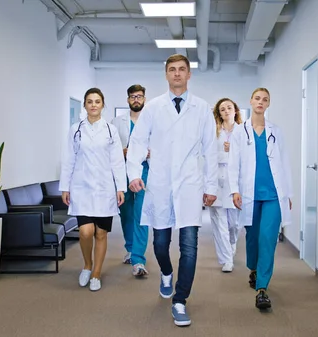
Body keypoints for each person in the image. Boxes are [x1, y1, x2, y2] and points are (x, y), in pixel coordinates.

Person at [126, 54, 218, 327]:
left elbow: (210, 149)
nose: (177, 74)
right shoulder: (153, 107)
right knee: (161, 244)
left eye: (181, 70)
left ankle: (180, 300)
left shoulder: (201, 108)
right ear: (166, 75)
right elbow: (138, 141)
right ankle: (166, 272)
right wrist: (133, 173)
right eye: (172, 70)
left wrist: (211, 185)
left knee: (189, 247)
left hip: (190, 183)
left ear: (189, 75)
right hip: (161, 182)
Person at [228, 87, 293, 310]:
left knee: (268, 238)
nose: (260, 102)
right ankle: (254, 269)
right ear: (251, 101)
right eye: (257, 98)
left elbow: (285, 164)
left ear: (268, 104)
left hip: (274, 194)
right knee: (253, 237)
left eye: (265, 100)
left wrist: (289, 194)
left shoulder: (276, 131)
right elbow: (233, 163)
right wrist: (234, 190)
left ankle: (262, 288)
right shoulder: (239, 131)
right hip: (249, 194)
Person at [59, 88, 126, 292]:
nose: (94, 105)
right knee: (86, 232)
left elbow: (117, 161)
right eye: (90, 101)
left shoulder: (110, 130)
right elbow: (69, 159)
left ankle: (96, 273)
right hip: (82, 187)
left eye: (97, 101)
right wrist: (65, 187)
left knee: (101, 233)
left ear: (103, 105)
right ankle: (87, 266)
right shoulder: (75, 129)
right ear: (85, 105)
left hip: (105, 188)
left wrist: (120, 187)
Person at [111, 84, 151, 277]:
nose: (136, 99)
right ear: (128, 100)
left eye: (140, 96)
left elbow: (160, 145)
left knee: (142, 214)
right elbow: (108, 149)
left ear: (144, 99)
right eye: (133, 96)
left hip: (145, 170)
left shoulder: (151, 121)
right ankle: (130, 247)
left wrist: (151, 152)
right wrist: (122, 152)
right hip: (122, 171)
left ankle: (138, 259)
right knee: (125, 213)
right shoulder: (117, 122)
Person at [209, 98, 243, 273]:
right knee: (218, 221)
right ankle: (226, 259)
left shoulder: (244, 131)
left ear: (235, 110)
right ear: (219, 113)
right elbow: (208, 157)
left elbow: (247, 158)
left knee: (234, 224)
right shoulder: (213, 131)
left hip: (235, 182)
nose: (226, 111)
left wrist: (233, 151)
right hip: (216, 180)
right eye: (222, 109)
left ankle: (232, 245)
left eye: (229, 108)